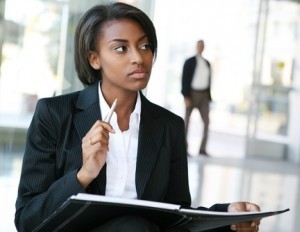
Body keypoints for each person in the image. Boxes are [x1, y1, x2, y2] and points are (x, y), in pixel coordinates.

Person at [15, 2, 260, 232]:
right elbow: (28, 220)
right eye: (121, 48)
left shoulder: (169, 126)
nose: (138, 57)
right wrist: (84, 175)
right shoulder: (54, 114)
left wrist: (228, 216)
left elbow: (176, 219)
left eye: (145, 46)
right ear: (94, 58)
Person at [181, 40, 212, 156]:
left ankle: (202, 149)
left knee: (207, 122)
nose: (201, 48)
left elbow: (209, 80)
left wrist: (209, 96)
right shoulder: (189, 61)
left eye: (203, 46)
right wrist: (185, 95)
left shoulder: (207, 63)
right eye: (199, 46)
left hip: (204, 95)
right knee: (186, 122)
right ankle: (183, 148)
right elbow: (184, 79)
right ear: (196, 47)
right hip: (191, 94)